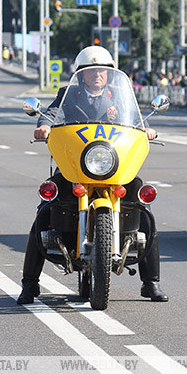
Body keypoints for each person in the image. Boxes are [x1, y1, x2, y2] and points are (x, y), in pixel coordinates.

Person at [20, 46, 167, 305]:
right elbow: (54, 113)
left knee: (144, 211)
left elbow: (134, 119)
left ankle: (150, 283)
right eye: (92, 71)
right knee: (44, 212)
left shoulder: (120, 94)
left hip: (112, 165)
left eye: (103, 70)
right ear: (81, 74)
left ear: (110, 74)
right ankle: (30, 284)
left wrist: (146, 129)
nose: (98, 74)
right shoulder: (69, 94)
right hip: (76, 165)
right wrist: (43, 125)